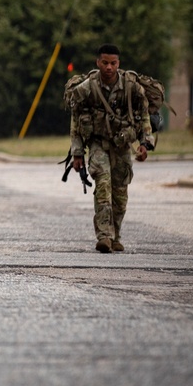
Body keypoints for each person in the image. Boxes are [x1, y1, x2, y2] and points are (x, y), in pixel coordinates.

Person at [67, 44, 154, 253]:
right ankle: (104, 236)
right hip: (98, 144)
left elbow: (143, 117)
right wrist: (77, 152)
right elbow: (76, 121)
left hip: (123, 146)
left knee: (120, 193)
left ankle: (116, 235)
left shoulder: (131, 87)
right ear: (98, 62)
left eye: (113, 63)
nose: (109, 67)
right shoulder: (87, 88)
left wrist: (144, 144)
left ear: (118, 64)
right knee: (103, 185)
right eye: (105, 63)